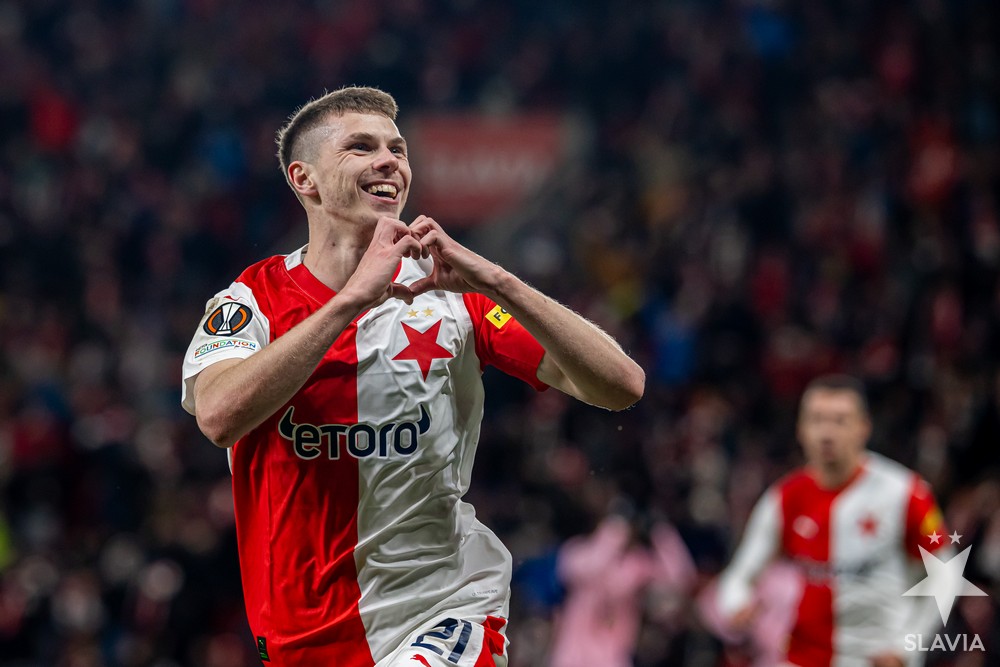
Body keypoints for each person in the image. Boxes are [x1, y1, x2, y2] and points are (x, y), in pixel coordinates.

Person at [180, 86, 645, 667]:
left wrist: (499, 284)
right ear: (306, 180)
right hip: (302, 637)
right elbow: (219, 415)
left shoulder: (450, 294)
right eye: (361, 147)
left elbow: (621, 385)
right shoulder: (250, 302)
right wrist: (352, 300)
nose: (390, 162)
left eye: (398, 149)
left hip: (442, 610)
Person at [715, 374, 949, 667]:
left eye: (840, 420)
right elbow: (739, 576)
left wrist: (907, 645)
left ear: (864, 427)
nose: (827, 432)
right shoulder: (785, 498)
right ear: (800, 429)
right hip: (801, 659)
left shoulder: (906, 493)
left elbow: (944, 575)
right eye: (817, 419)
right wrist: (736, 604)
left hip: (877, 661)